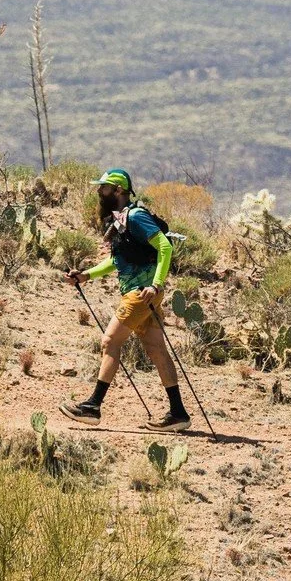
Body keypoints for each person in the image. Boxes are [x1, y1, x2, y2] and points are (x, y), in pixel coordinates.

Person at [62, 168, 191, 428]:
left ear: (119, 191)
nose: (99, 192)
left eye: (104, 188)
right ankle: (178, 413)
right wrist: (86, 275)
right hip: (145, 294)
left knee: (110, 341)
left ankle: (92, 406)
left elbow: (165, 246)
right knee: (156, 349)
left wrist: (156, 285)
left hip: (141, 294)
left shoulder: (135, 216)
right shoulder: (121, 220)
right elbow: (117, 261)